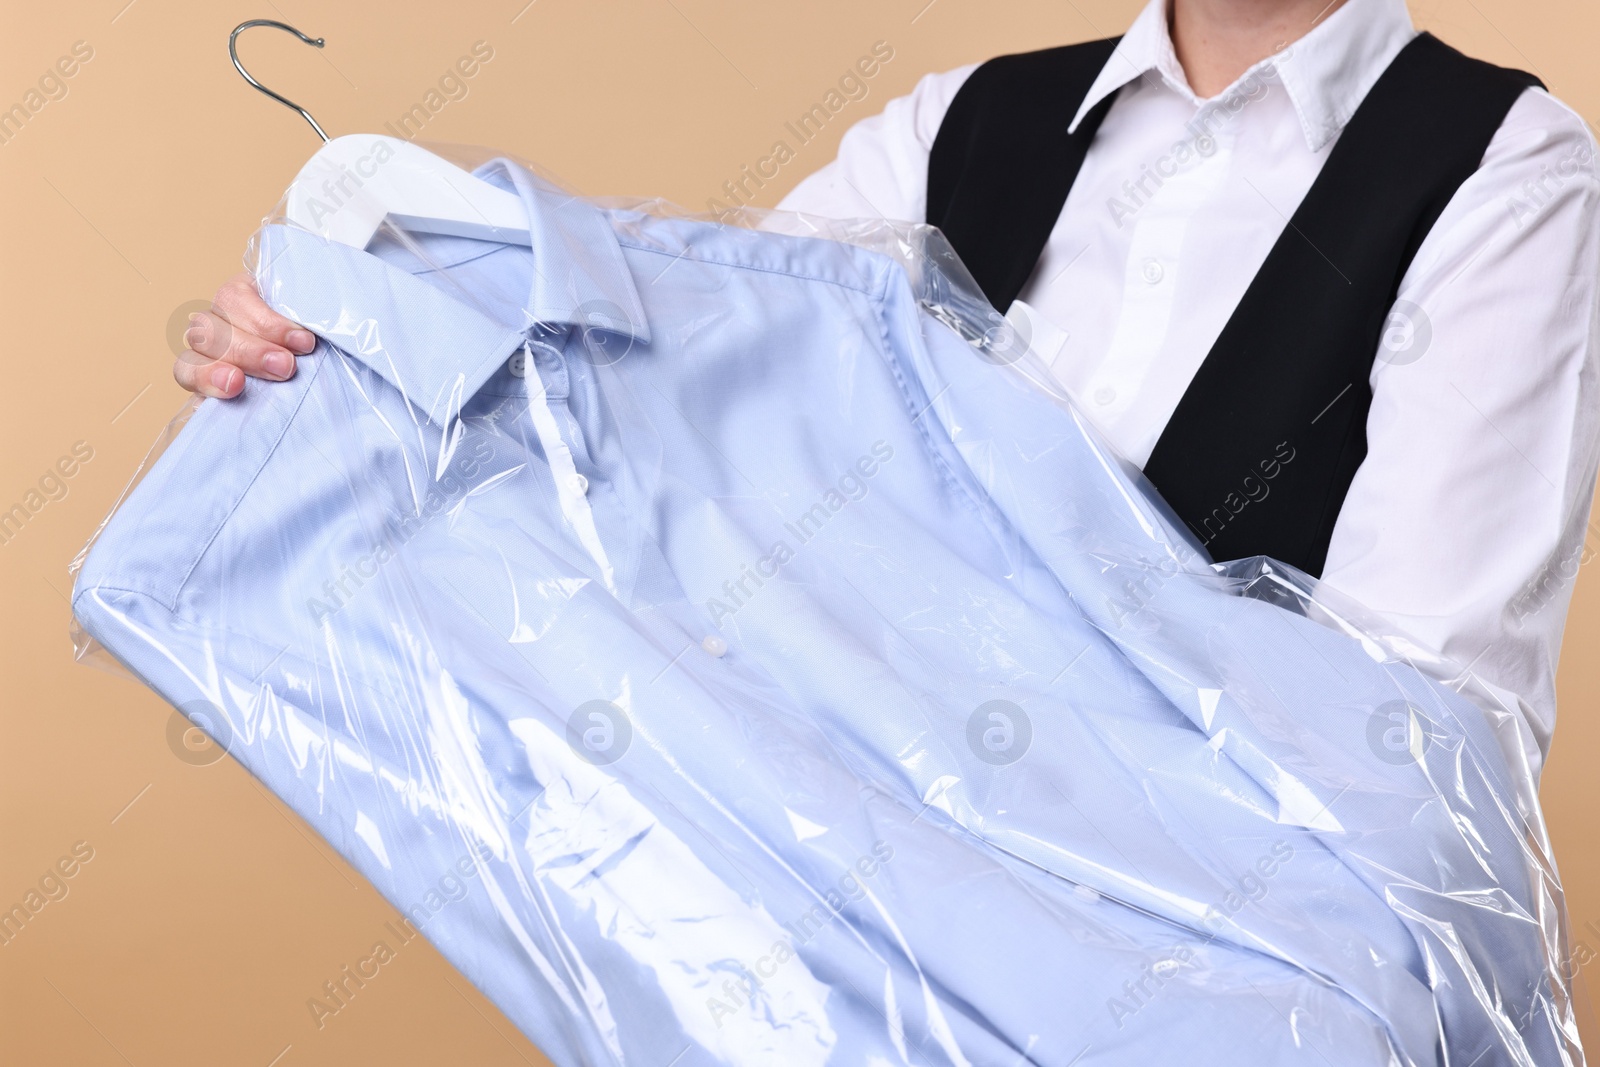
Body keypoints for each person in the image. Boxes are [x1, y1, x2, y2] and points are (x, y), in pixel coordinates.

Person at [175, 0, 1598, 774]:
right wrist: (366, 323)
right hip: (872, 917)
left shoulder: (1504, 172)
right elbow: (662, 373)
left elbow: (1425, 726)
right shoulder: (957, 123)